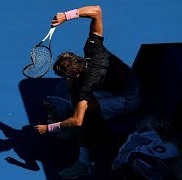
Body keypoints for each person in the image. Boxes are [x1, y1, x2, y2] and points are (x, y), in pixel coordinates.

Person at [34, 5, 140, 178]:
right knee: (62, 89)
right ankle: (68, 107)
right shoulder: (93, 49)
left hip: (128, 98)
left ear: (74, 74)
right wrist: (65, 16)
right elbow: (97, 10)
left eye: (66, 76)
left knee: (84, 117)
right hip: (115, 84)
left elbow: (77, 120)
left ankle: (83, 163)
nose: (65, 79)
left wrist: (49, 128)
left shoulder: (85, 86)